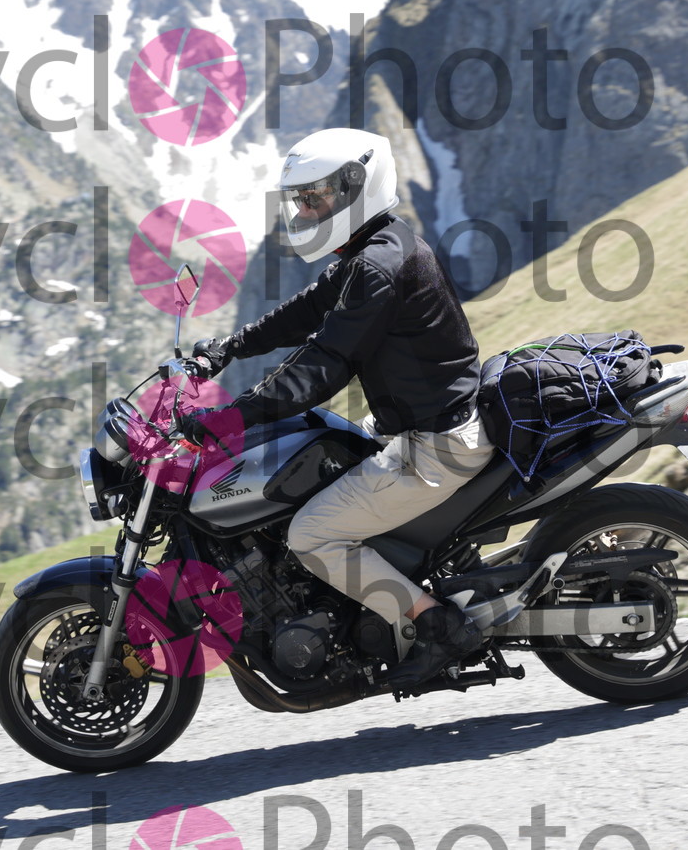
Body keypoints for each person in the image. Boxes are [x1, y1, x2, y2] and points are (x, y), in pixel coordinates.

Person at [177, 127, 496, 689]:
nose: (305, 211)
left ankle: (437, 627)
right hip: (423, 423)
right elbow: (308, 310)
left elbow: (323, 365)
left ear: (356, 186)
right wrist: (229, 347)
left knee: (310, 535)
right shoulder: (378, 247)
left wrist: (233, 418)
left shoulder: (376, 266)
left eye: (314, 198)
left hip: (436, 445)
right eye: (299, 200)